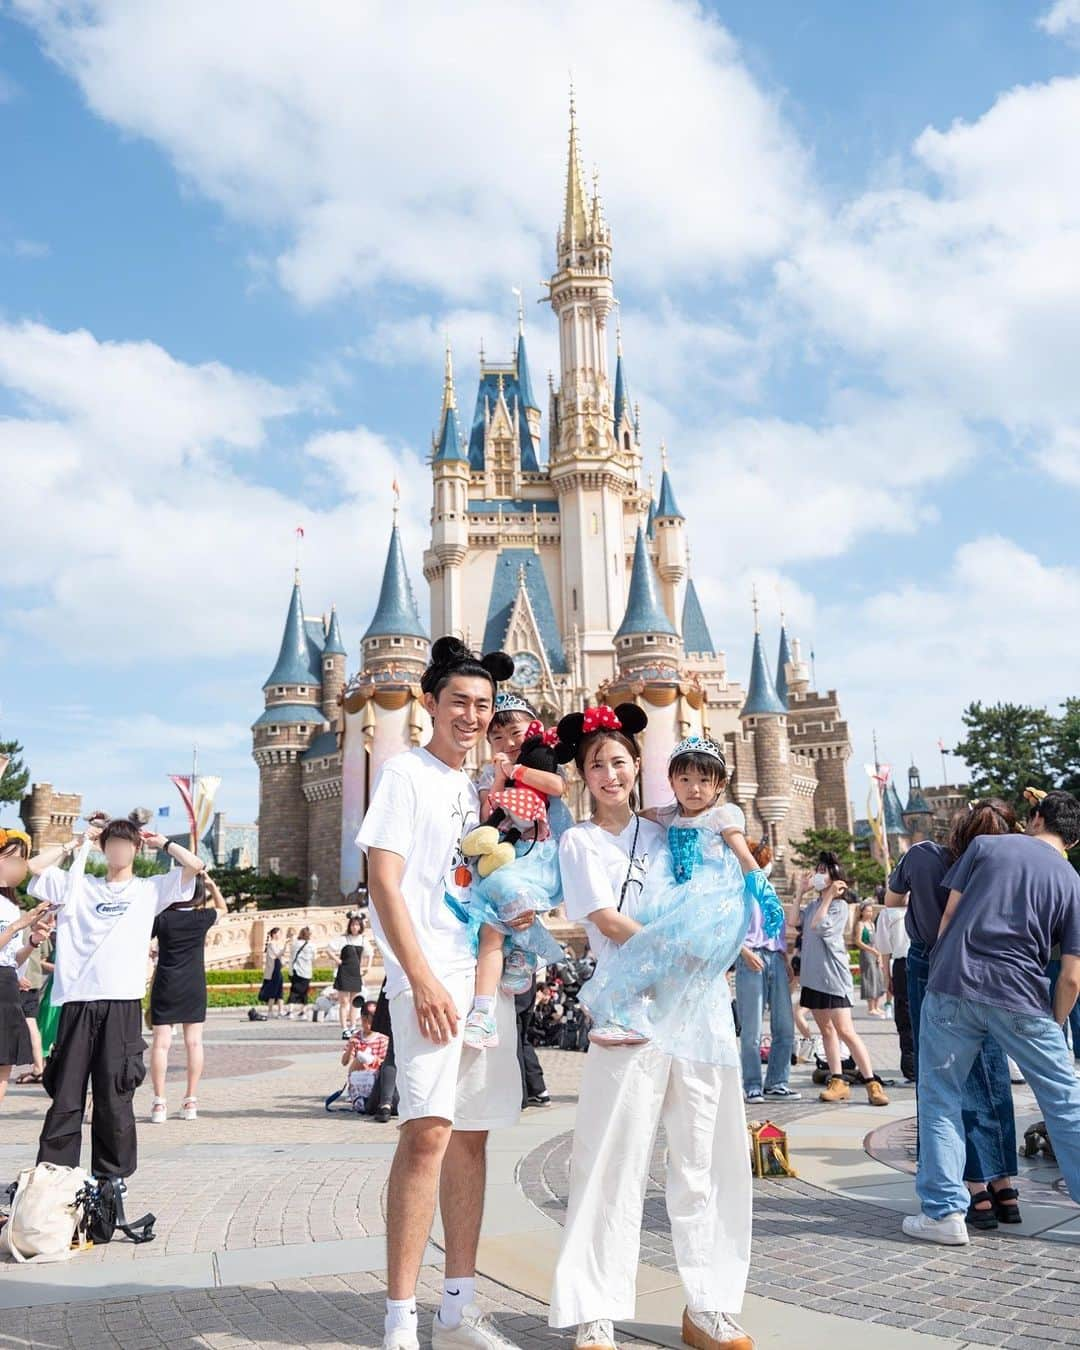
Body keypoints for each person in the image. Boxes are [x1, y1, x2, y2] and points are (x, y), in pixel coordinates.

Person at [549, 712, 754, 1350]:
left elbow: (728, 884)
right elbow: (606, 922)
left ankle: (710, 1306)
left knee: (708, 1158)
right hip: (630, 1013)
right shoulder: (580, 844)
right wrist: (685, 951)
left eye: (619, 762)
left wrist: (732, 939)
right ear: (582, 777)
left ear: (640, 767)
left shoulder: (672, 832)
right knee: (612, 1158)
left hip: (698, 1012)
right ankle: (594, 1311)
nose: (609, 775)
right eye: (595, 766)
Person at [357, 635, 522, 1350]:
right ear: (429, 703)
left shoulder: (476, 786)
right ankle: (400, 1316)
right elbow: (382, 882)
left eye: (484, 704)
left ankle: (457, 1307)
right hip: (429, 978)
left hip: (483, 982)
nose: (472, 714)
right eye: (460, 701)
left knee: (472, 1140)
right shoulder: (404, 774)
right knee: (426, 1134)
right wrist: (419, 977)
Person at [903, 789, 1080, 1246]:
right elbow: (1071, 978)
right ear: (1074, 842)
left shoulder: (986, 847)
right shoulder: (1071, 880)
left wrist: (942, 969)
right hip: (1022, 994)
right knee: (1064, 1102)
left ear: (1035, 818)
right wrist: (1054, 1026)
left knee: (940, 1098)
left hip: (954, 984)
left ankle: (944, 1213)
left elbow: (948, 919)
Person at [576, 733, 785, 1058]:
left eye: (704, 780)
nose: (694, 788)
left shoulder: (723, 815)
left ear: (720, 784)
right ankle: (624, 1013)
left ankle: (631, 1014)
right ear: (671, 780)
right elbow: (638, 816)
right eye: (685, 779)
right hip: (673, 894)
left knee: (663, 950)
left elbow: (745, 857)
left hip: (709, 897)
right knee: (647, 943)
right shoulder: (669, 815)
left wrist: (764, 893)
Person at [26, 811, 203, 1180]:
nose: (119, 851)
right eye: (113, 844)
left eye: (127, 845)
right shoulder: (79, 884)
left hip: (121, 1001)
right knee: (67, 1095)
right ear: (105, 848)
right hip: (77, 1000)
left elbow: (195, 865)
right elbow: (34, 866)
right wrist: (77, 842)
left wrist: (162, 843)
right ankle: (56, 1178)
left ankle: (112, 1181)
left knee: (114, 1095)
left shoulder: (149, 889)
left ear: (136, 849)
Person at [886, 800, 1019, 1228]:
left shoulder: (922, 855)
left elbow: (891, 900)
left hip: (933, 964)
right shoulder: (998, 864)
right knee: (989, 1069)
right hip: (990, 966)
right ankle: (1004, 1187)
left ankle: (972, 1189)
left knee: (942, 1077)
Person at [461, 696, 573, 1049]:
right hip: (506, 859)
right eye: (498, 737)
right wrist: (497, 778)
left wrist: (517, 771)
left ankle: (525, 953)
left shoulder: (544, 762)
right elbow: (485, 814)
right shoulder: (487, 773)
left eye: (515, 733)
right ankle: (482, 1013)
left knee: (512, 902)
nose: (508, 743)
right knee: (490, 934)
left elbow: (558, 787)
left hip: (539, 857)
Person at [798, 853, 889, 1107]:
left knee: (845, 1030)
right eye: (817, 869)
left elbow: (818, 926)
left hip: (833, 977)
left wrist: (828, 896)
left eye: (823, 871)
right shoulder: (815, 905)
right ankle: (837, 1080)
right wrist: (799, 893)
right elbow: (796, 922)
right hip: (813, 976)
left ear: (835, 877)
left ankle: (872, 1082)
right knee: (826, 1031)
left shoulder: (838, 906)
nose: (818, 874)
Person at [148, 872, 227, 1123]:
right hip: (193, 983)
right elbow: (223, 908)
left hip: (166, 982)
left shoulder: (162, 919)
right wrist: (213, 887)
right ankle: (190, 1099)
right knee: (194, 1043)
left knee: (161, 1044)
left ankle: (159, 1103)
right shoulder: (202, 917)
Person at [0, 829, 50, 1109]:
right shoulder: (12, 915)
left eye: (22, 860)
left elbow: (11, 958)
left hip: (6, 985)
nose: (19, 865)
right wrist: (19, 925)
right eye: (14, 858)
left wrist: (32, 941)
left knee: (4, 1062)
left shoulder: (10, 905)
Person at [875, 899, 914, 1082]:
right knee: (906, 1015)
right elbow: (884, 949)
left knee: (906, 1015)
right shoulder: (888, 913)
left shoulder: (889, 913)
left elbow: (884, 948)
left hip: (907, 962)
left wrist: (887, 977)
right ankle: (912, 1065)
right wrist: (886, 976)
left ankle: (912, 1066)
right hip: (905, 962)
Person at [341, 1005, 391, 1112]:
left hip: (375, 1075)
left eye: (371, 1022)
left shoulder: (383, 1038)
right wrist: (350, 1048)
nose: (368, 1025)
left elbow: (386, 1062)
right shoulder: (356, 1036)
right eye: (364, 1021)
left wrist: (372, 1061)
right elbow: (344, 1062)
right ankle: (354, 1091)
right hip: (358, 1074)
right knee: (358, 1060)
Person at [329, 914, 369, 1035]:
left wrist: (367, 967)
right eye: (352, 924)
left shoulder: (363, 939)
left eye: (356, 925)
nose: (354, 927)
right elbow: (329, 949)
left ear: (360, 926)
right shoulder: (344, 939)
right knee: (344, 1002)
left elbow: (369, 953)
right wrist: (338, 961)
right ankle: (344, 1028)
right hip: (344, 972)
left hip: (356, 973)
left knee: (355, 1002)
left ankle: (353, 1026)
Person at [855, 902, 886, 1016]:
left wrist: (879, 954)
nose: (869, 913)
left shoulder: (872, 924)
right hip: (867, 953)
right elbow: (858, 941)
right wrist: (872, 950)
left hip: (876, 952)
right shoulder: (860, 924)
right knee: (869, 977)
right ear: (862, 912)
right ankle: (871, 1007)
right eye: (867, 911)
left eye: (871, 911)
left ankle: (877, 1006)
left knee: (878, 977)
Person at [285, 925, 315, 1016]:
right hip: (306, 972)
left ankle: (290, 1011)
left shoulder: (295, 944)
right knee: (304, 992)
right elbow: (314, 957)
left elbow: (291, 954)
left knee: (293, 990)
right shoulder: (311, 945)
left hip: (296, 970)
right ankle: (303, 1011)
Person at [258, 926, 286, 1017]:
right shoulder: (271, 944)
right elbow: (277, 954)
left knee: (280, 991)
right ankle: (270, 1011)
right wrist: (285, 946)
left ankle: (280, 1010)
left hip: (277, 968)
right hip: (274, 971)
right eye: (279, 933)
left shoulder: (275, 944)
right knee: (273, 991)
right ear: (274, 934)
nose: (280, 935)